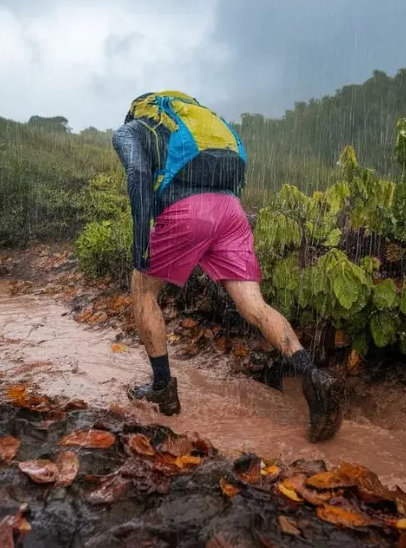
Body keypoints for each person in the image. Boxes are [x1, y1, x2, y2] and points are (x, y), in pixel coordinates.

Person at [111, 91, 344, 443]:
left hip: (188, 211)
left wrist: (139, 239)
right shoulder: (202, 129)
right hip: (231, 213)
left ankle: (162, 388)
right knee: (254, 305)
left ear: (135, 112)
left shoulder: (132, 128)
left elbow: (138, 174)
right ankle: (310, 373)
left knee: (144, 291)